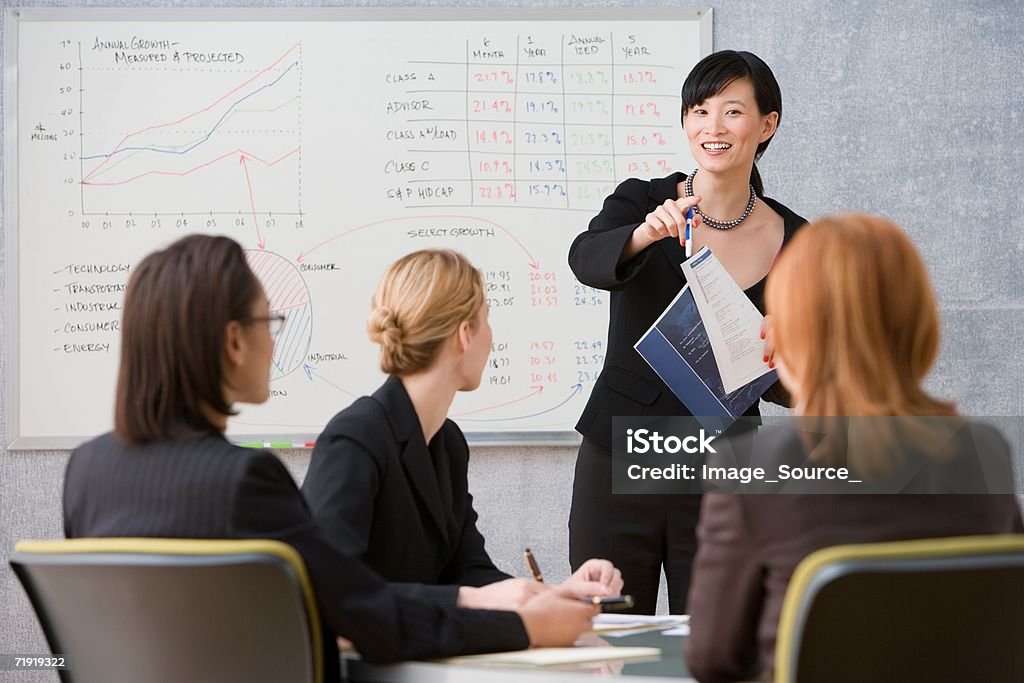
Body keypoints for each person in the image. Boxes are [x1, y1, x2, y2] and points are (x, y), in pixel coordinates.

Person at [63, 236, 597, 682]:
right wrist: (524, 627)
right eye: (266, 322)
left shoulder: (86, 471)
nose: (275, 344)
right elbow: (361, 613)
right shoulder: (243, 479)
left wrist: (525, 599)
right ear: (232, 342)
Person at [683, 214, 1024, 683]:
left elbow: (714, 659)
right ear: (917, 320)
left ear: (794, 330)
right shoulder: (984, 451)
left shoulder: (751, 466)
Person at [566, 50, 806, 613]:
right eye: (699, 111)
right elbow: (585, 259)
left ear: (767, 124)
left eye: (732, 111)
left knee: (718, 634)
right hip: (621, 455)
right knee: (610, 629)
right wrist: (643, 236)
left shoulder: (798, 239)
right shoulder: (641, 201)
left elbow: (798, 387)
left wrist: (779, 354)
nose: (712, 127)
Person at [302, 249, 623, 609]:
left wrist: (557, 593)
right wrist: (468, 599)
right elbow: (330, 593)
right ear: (464, 335)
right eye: (486, 319)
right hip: (367, 664)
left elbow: (469, 571)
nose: (491, 336)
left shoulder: (446, 442)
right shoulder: (354, 440)